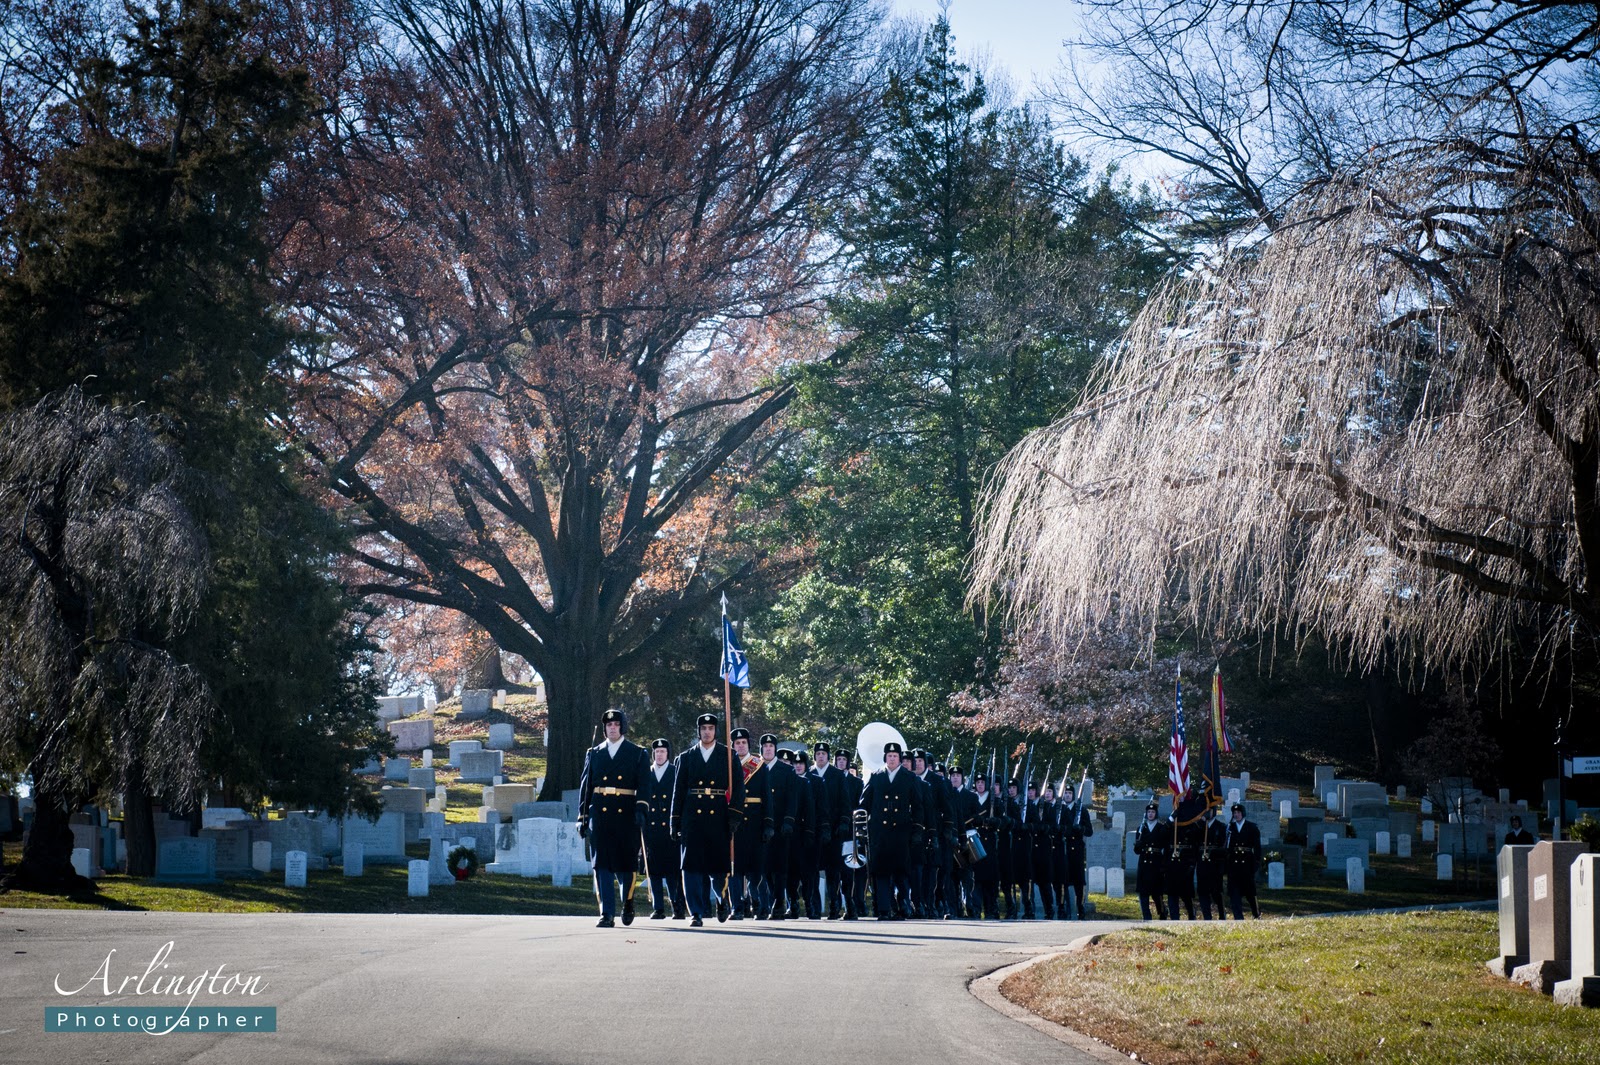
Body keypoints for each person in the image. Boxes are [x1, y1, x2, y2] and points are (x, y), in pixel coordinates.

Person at [670, 713, 745, 927]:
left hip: (718, 816)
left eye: (711, 728)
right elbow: (679, 791)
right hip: (692, 816)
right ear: (699, 731)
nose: (707, 732)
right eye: (703, 728)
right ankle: (696, 912)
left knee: (718, 868)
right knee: (691, 868)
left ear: (716, 731)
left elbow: (739, 788)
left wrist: (734, 815)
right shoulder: (686, 757)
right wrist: (674, 821)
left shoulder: (728, 756)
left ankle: (722, 899)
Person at [577, 708, 650, 928]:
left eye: (616, 725)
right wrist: (582, 816)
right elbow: (586, 786)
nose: (612, 728)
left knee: (626, 863)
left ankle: (627, 901)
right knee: (602, 865)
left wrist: (641, 808)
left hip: (626, 813)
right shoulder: (595, 753)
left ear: (622, 727)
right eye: (609, 725)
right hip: (600, 814)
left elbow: (645, 785)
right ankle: (606, 913)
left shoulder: (637, 753)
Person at [858, 741, 926, 919]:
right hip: (880, 832)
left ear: (899, 758)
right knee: (881, 872)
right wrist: (861, 827)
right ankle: (883, 909)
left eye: (895, 756)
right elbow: (864, 803)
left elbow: (918, 806)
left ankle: (903, 906)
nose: (892, 759)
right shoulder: (876, 776)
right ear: (885, 758)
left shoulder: (909, 778)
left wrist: (917, 830)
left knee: (901, 872)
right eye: (889, 756)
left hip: (901, 832)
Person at [640, 738, 686, 920]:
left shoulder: (675, 772)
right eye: (657, 752)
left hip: (670, 829)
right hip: (651, 829)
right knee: (654, 871)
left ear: (668, 754)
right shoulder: (647, 773)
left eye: (663, 752)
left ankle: (678, 906)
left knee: (673, 872)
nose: (659, 755)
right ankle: (658, 908)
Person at [757, 736, 798, 918]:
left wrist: (789, 821)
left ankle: (779, 901)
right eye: (765, 746)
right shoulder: (754, 768)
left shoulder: (787, 770)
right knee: (763, 867)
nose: (768, 749)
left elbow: (792, 798)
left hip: (781, 825)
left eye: (771, 746)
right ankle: (771, 899)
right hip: (760, 825)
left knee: (780, 867)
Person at [728, 727, 766, 920]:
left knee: (754, 869)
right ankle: (737, 907)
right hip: (734, 822)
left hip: (755, 821)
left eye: (743, 742)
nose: (741, 745)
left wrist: (768, 823)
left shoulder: (758, 765)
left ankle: (757, 903)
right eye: (737, 743)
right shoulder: (727, 766)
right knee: (735, 868)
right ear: (733, 746)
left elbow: (767, 796)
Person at [809, 741, 846, 919]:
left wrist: (843, 822)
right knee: (813, 870)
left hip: (834, 831)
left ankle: (834, 905)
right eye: (818, 753)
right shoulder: (809, 774)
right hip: (813, 831)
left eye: (824, 753)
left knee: (833, 871)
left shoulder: (837, 775)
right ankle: (815, 907)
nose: (821, 756)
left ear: (828, 756)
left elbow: (844, 802)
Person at [834, 748, 867, 919]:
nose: (841, 762)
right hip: (834, 831)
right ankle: (836, 906)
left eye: (843, 759)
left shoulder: (856, 783)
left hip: (850, 833)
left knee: (848, 871)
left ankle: (850, 905)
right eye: (838, 759)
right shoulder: (831, 779)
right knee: (834, 871)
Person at [968, 773, 1003, 919]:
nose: (980, 785)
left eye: (983, 782)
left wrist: (995, 822)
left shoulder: (994, 800)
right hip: (976, 840)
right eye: (978, 782)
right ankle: (975, 908)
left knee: (990, 878)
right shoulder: (971, 798)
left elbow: (1002, 819)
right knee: (976, 878)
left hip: (989, 842)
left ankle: (991, 908)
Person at [1057, 783, 1093, 921]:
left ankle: (1080, 908)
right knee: (1063, 880)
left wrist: (1081, 829)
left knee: (1078, 881)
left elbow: (1089, 831)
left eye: (1070, 793)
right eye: (1065, 793)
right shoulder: (1059, 809)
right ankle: (1064, 907)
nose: (1067, 795)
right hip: (1063, 848)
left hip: (1076, 849)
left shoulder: (1081, 811)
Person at [947, 765, 978, 917]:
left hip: (966, 839)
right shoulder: (947, 794)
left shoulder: (970, 796)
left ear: (962, 778)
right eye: (952, 775)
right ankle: (955, 908)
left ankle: (969, 904)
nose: (955, 778)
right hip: (951, 839)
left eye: (958, 775)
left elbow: (978, 815)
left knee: (966, 875)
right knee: (952, 876)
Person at [1225, 801, 1262, 920]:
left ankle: (1256, 914)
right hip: (1234, 865)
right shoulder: (1230, 828)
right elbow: (1227, 847)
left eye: (1238, 812)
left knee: (1250, 893)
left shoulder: (1251, 827)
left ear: (1243, 813)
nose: (1236, 815)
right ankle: (1238, 918)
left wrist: (1256, 862)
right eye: (1234, 813)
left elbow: (1257, 847)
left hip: (1247, 864)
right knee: (1234, 893)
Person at [1133, 802, 1169, 920]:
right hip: (1144, 862)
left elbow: (1165, 847)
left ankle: (1162, 912)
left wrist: (1163, 864)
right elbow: (1137, 851)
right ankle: (1146, 917)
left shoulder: (1161, 828)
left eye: (1153, 812)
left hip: (1156, 862)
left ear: (1156, 814)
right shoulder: (1141, 828)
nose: (1150, 814)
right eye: (1148, 812)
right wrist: (1138, 845)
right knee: (1143, 893)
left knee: (1156, 893)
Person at [1195, 803, 1228, 920]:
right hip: (1202, 864)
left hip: (1215, 864)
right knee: (1203, 891)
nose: (1206, 813)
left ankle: (1221, 914)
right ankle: (1207, 917)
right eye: (1204, 811)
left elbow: (1224, 848)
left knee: (1216, 892)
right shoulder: (1199, 827)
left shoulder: (1221, 827)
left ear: (1214, 812)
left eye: (1208, 811)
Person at [1164, 810, 1198, 920]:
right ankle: (1174, 918)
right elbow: (1162, 833)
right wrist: (1171, 819)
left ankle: (1191, 915)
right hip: (1171, 864)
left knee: (1186, 894)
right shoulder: (1170, 826)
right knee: (1172, 893)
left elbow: (1195, 845)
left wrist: (1192, 863)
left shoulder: (1191, 826)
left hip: (1185, 864)